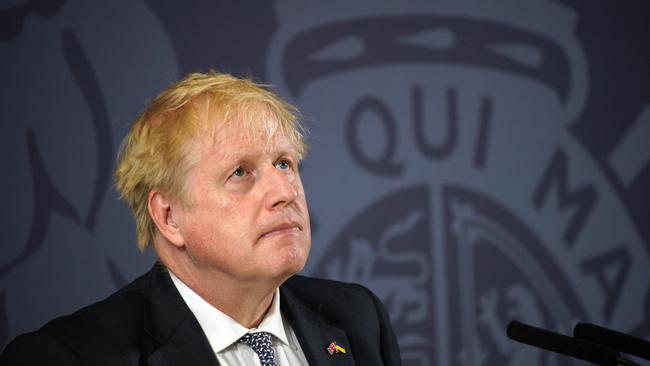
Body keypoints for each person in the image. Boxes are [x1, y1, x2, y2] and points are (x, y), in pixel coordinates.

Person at [0, 71, 401, 365]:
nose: (285, 192)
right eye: (240, 173)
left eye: (284, 163)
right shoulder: (66, 357)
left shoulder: (359, 319)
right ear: (169, 216)